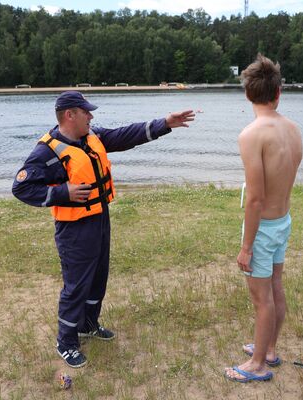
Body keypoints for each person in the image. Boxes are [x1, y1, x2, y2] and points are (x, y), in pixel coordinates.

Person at [12, 91, 194, 368]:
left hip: (99, 218)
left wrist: (165, 123)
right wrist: (64, 193)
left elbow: (124, 135)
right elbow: (22, 187)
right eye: (86, 112)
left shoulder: (91, 137)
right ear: (70, 114)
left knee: (98, 277)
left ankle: (88, 324)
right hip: (74, 229)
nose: (91, 116)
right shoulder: (46, 152)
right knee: (76, 285)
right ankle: (66, 342)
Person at [225, 55, 303, 383]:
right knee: (275, 286)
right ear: (279, 92)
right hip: (283, 219)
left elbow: (255, 198)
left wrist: (246, 246)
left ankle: (258, 364)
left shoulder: (252, 135)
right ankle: (268, 349)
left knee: (262, 297)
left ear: (247, 94)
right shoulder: (292, 129)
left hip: (264, 227)